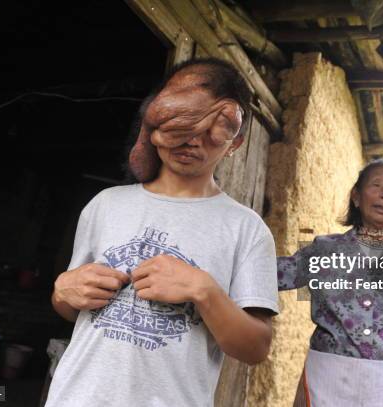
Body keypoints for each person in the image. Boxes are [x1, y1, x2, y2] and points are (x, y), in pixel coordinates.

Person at [45, 58, 279, 407]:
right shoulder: (105, 205)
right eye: (180, 127)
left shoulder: (247, 229)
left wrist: (205, 291)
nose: (191, 142)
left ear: (236, 143)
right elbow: (69, 305)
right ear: (154, 122)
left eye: (209, 132)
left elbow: (256, 347)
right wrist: (62, 291)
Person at [278, 159, 383, 407]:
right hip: (325, 380)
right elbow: (274, 274)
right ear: (356, 196)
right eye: (376, 185)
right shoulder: (324, 251)